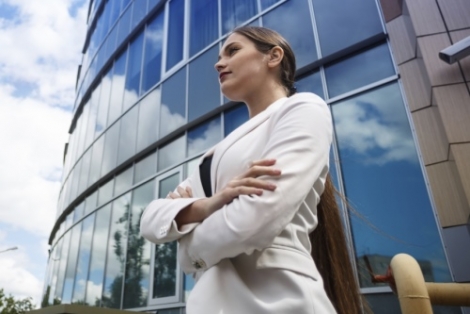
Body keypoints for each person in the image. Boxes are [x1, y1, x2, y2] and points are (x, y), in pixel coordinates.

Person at [140, 26, 363, 314]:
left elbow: (254, 220)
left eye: (232, 51)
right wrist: (208, 205)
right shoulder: (214, 155)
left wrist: (186, 249)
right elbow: (150, 220)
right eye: (220, 57)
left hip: (280, 301)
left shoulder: (304, 109)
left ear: (273, 56)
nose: (219, 63)